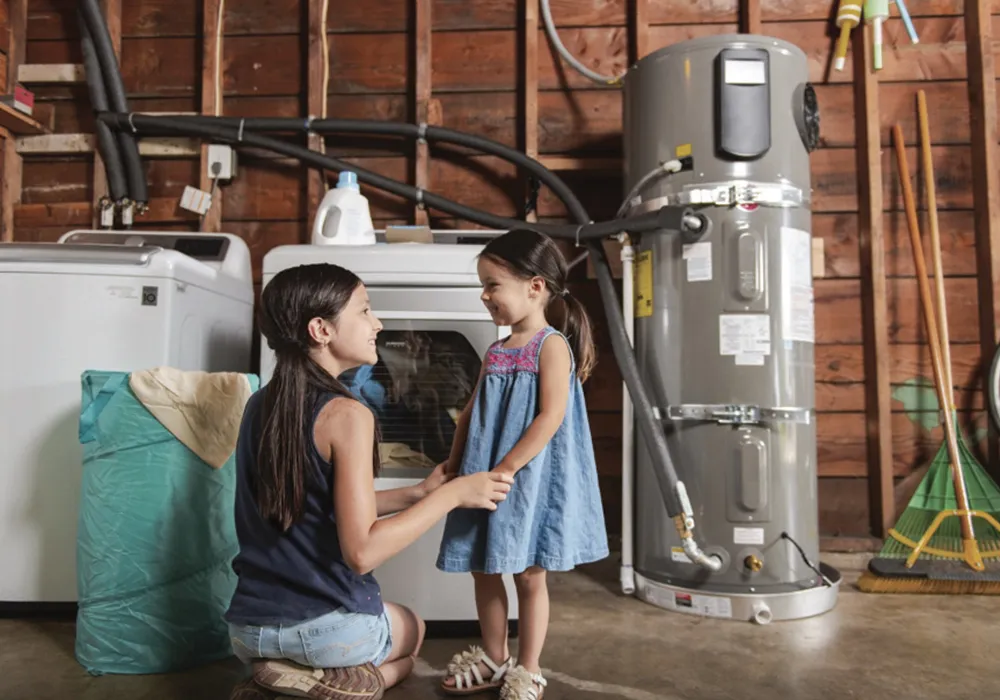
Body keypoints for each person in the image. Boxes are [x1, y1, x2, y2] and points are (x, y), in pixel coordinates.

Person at [223, 263, 515, 700]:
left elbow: (312, 506)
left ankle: (277, 674)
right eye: (364, 310)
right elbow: (361, 553)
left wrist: (417, 493)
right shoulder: (347, 415)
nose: (376, 323)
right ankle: (336, 685)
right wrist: (453, 495)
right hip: (327, 632)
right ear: (321, 329)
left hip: (248, 630)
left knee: (374, 637)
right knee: (413, 636)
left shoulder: (260, 404)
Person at [436, 230, 610, 700]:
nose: (484, 294)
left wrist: (507, 468)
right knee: (485, 568)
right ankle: (495, 657)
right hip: (483, 475)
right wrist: (453, 466)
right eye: (483, 285)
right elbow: (471, 413)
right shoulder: (496, 350)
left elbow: (551, 417)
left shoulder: (551, 345)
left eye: (492, 284)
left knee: (529, 573)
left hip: (523, 478)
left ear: (534, 287)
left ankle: (528, 668)